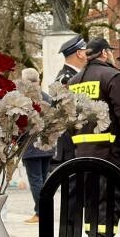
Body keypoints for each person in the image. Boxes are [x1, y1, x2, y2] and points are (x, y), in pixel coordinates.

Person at [69, 38, 120, 237]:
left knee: (92, 200)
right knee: (109, 199)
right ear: (103, 53)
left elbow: (68, 116)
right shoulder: (112, 76)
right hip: (108, 149)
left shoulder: (74, 80)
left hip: (82, 150)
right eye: (110, 51)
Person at [20, 67, 52, 224]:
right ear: (38, 80)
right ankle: (45, 211)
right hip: (48, 144)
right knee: (44, 180)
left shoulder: (23, 99)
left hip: (31, 145)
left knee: (36, 180)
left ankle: (41, 213)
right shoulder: (47, 97)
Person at [52, 35, 87, 171]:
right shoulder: (66, 79)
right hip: (70, 143)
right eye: (86, 51)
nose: (88, 54)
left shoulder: (74, 76)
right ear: (79, 53)